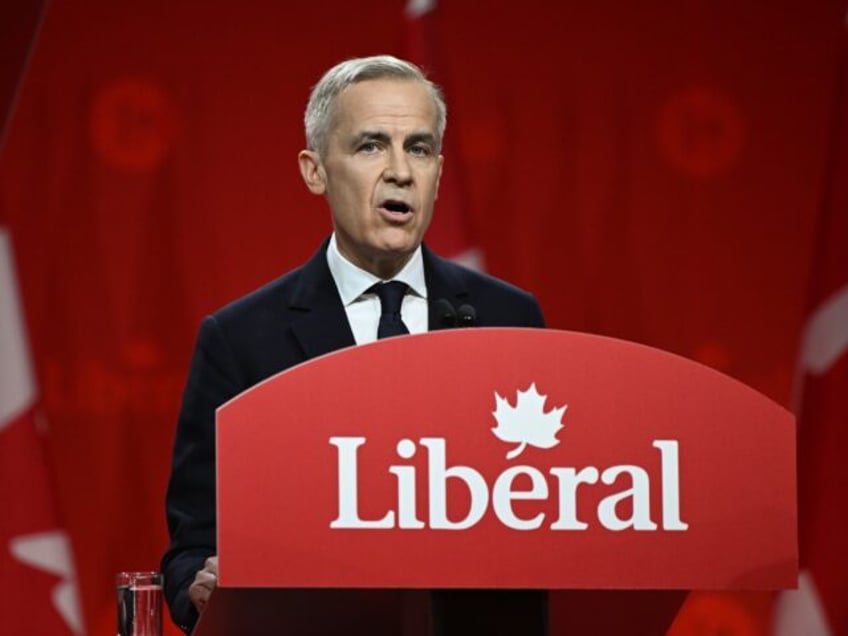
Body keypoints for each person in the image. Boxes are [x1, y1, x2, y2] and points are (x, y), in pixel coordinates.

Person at [161, 54, 545, 633]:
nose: (399, 171)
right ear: (315, 170)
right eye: (370, 146)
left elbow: (548, 515)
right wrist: (202, 586)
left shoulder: (507, 319)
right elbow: (191, 547)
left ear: (439, 171)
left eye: (418, 148)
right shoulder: (242, 340)